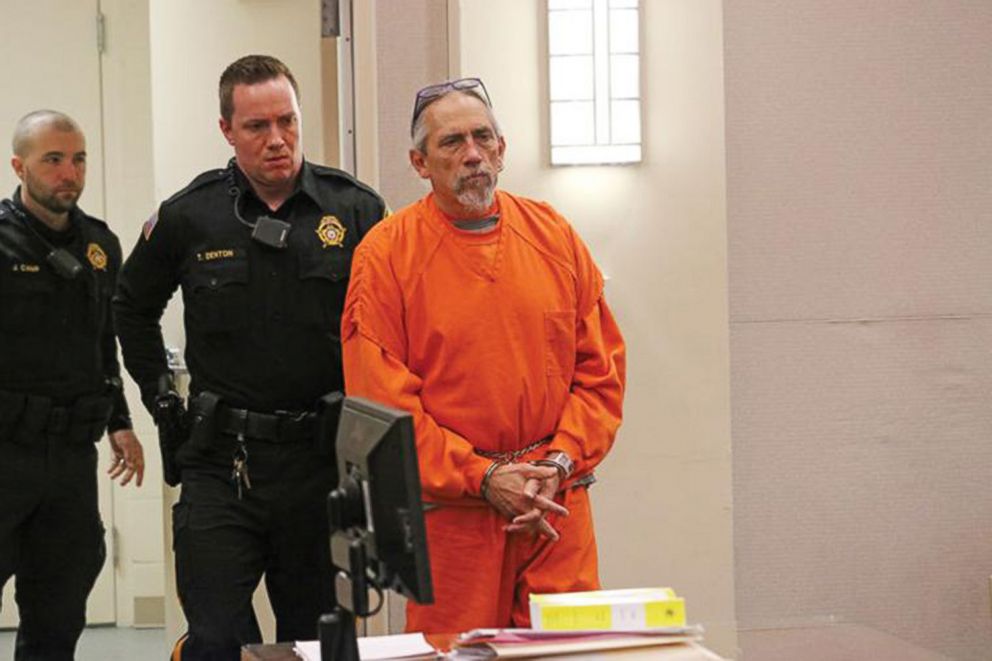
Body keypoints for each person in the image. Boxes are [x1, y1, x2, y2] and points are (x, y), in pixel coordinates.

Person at [113, 55, 387, 660]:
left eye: (287, 121)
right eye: (257, 127)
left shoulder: (355, 210)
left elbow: (393, 325)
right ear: (227, 131)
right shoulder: (191, 215)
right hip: (221, 462)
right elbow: (130, 307)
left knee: (318, 643)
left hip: (320, 464)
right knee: (215, 638)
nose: (277, 140)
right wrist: (164, 401)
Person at [341, 78, 626, 632]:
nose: (472, 154)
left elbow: (601, 375)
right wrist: (484, 476)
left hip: (554, 508)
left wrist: (559, 462)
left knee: (568, 650)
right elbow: (384, 408)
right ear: (419, 162)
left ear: (502, 148)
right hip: (456, 520)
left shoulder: (554, 235)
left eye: (483, 137)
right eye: (451, 143)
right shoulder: (386, 256)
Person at [0, 110, 144, 661]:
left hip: (68, 460)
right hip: (4, 451)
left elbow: (102, 342)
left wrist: (121, 423)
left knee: (59, 610)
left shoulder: (100, 246)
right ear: (20, 166)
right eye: (53, 160)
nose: (70, 173)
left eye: (79, 159)